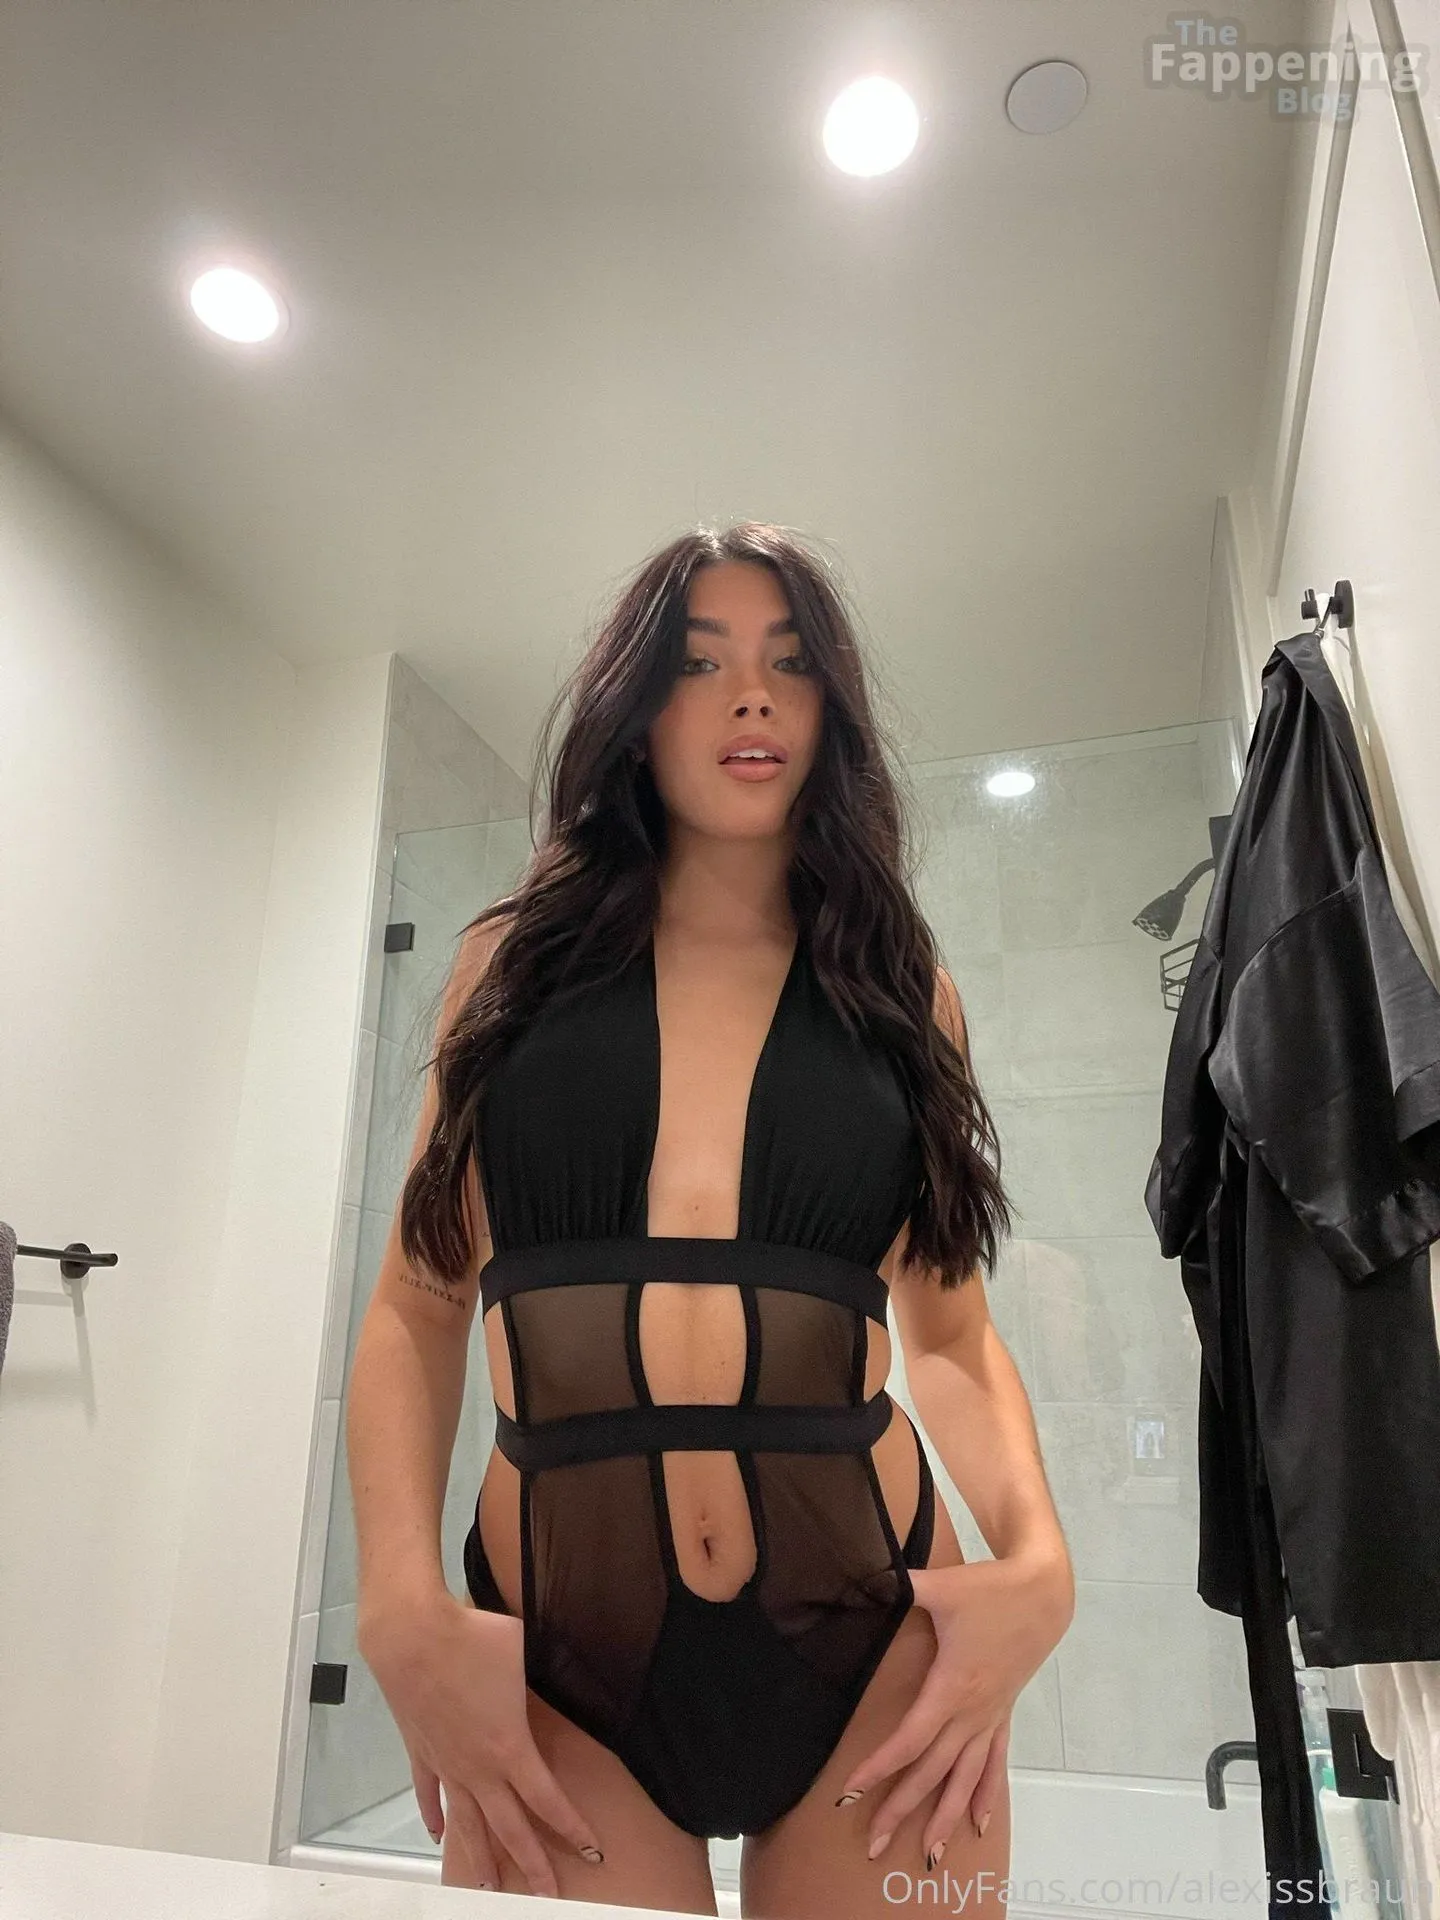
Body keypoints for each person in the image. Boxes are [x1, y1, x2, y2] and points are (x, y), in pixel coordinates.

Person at [348, 522, 1076, 1918]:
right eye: (700, 664)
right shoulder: (510, 968)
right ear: (637, 712)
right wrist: (396, 1599)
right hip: (559, 1648)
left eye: (788, 665)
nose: (752, 696)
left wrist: (1040, 1562)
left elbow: (950, 1338)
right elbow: (417, 1308)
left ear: (830, 711)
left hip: (874, 1636)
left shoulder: (902, 992)